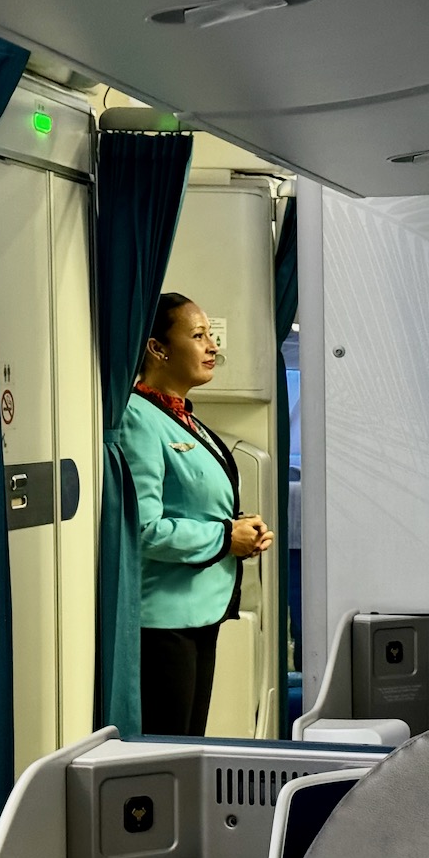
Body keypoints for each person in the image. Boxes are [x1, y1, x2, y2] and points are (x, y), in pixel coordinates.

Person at [122, 293, 274, 735]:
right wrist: (226, 538)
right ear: (157, 348)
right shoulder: (138, 417)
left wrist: (241, 529)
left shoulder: (184, 419)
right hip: (163, 624)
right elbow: (144, 530)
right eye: (198, 335)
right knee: (168, 755)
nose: (213, 347)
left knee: (188, 748)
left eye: (211, 335)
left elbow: (194, 505)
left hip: (198, 615)